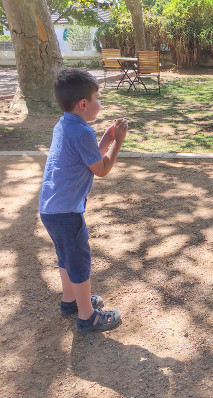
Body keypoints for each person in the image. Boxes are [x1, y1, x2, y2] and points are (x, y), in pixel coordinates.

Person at [39, 68, 128, 333]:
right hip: (67, 212)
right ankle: (87, 316)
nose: (100, 103)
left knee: (65, 257)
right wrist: (118, 143)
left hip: (50, 209)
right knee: (78, 260)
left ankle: (71, 301)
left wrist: (107, 137)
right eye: (97, 98)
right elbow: (100, 169)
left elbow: (88, 160)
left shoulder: (65, 124)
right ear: (84, 104)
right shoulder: (82, 132)